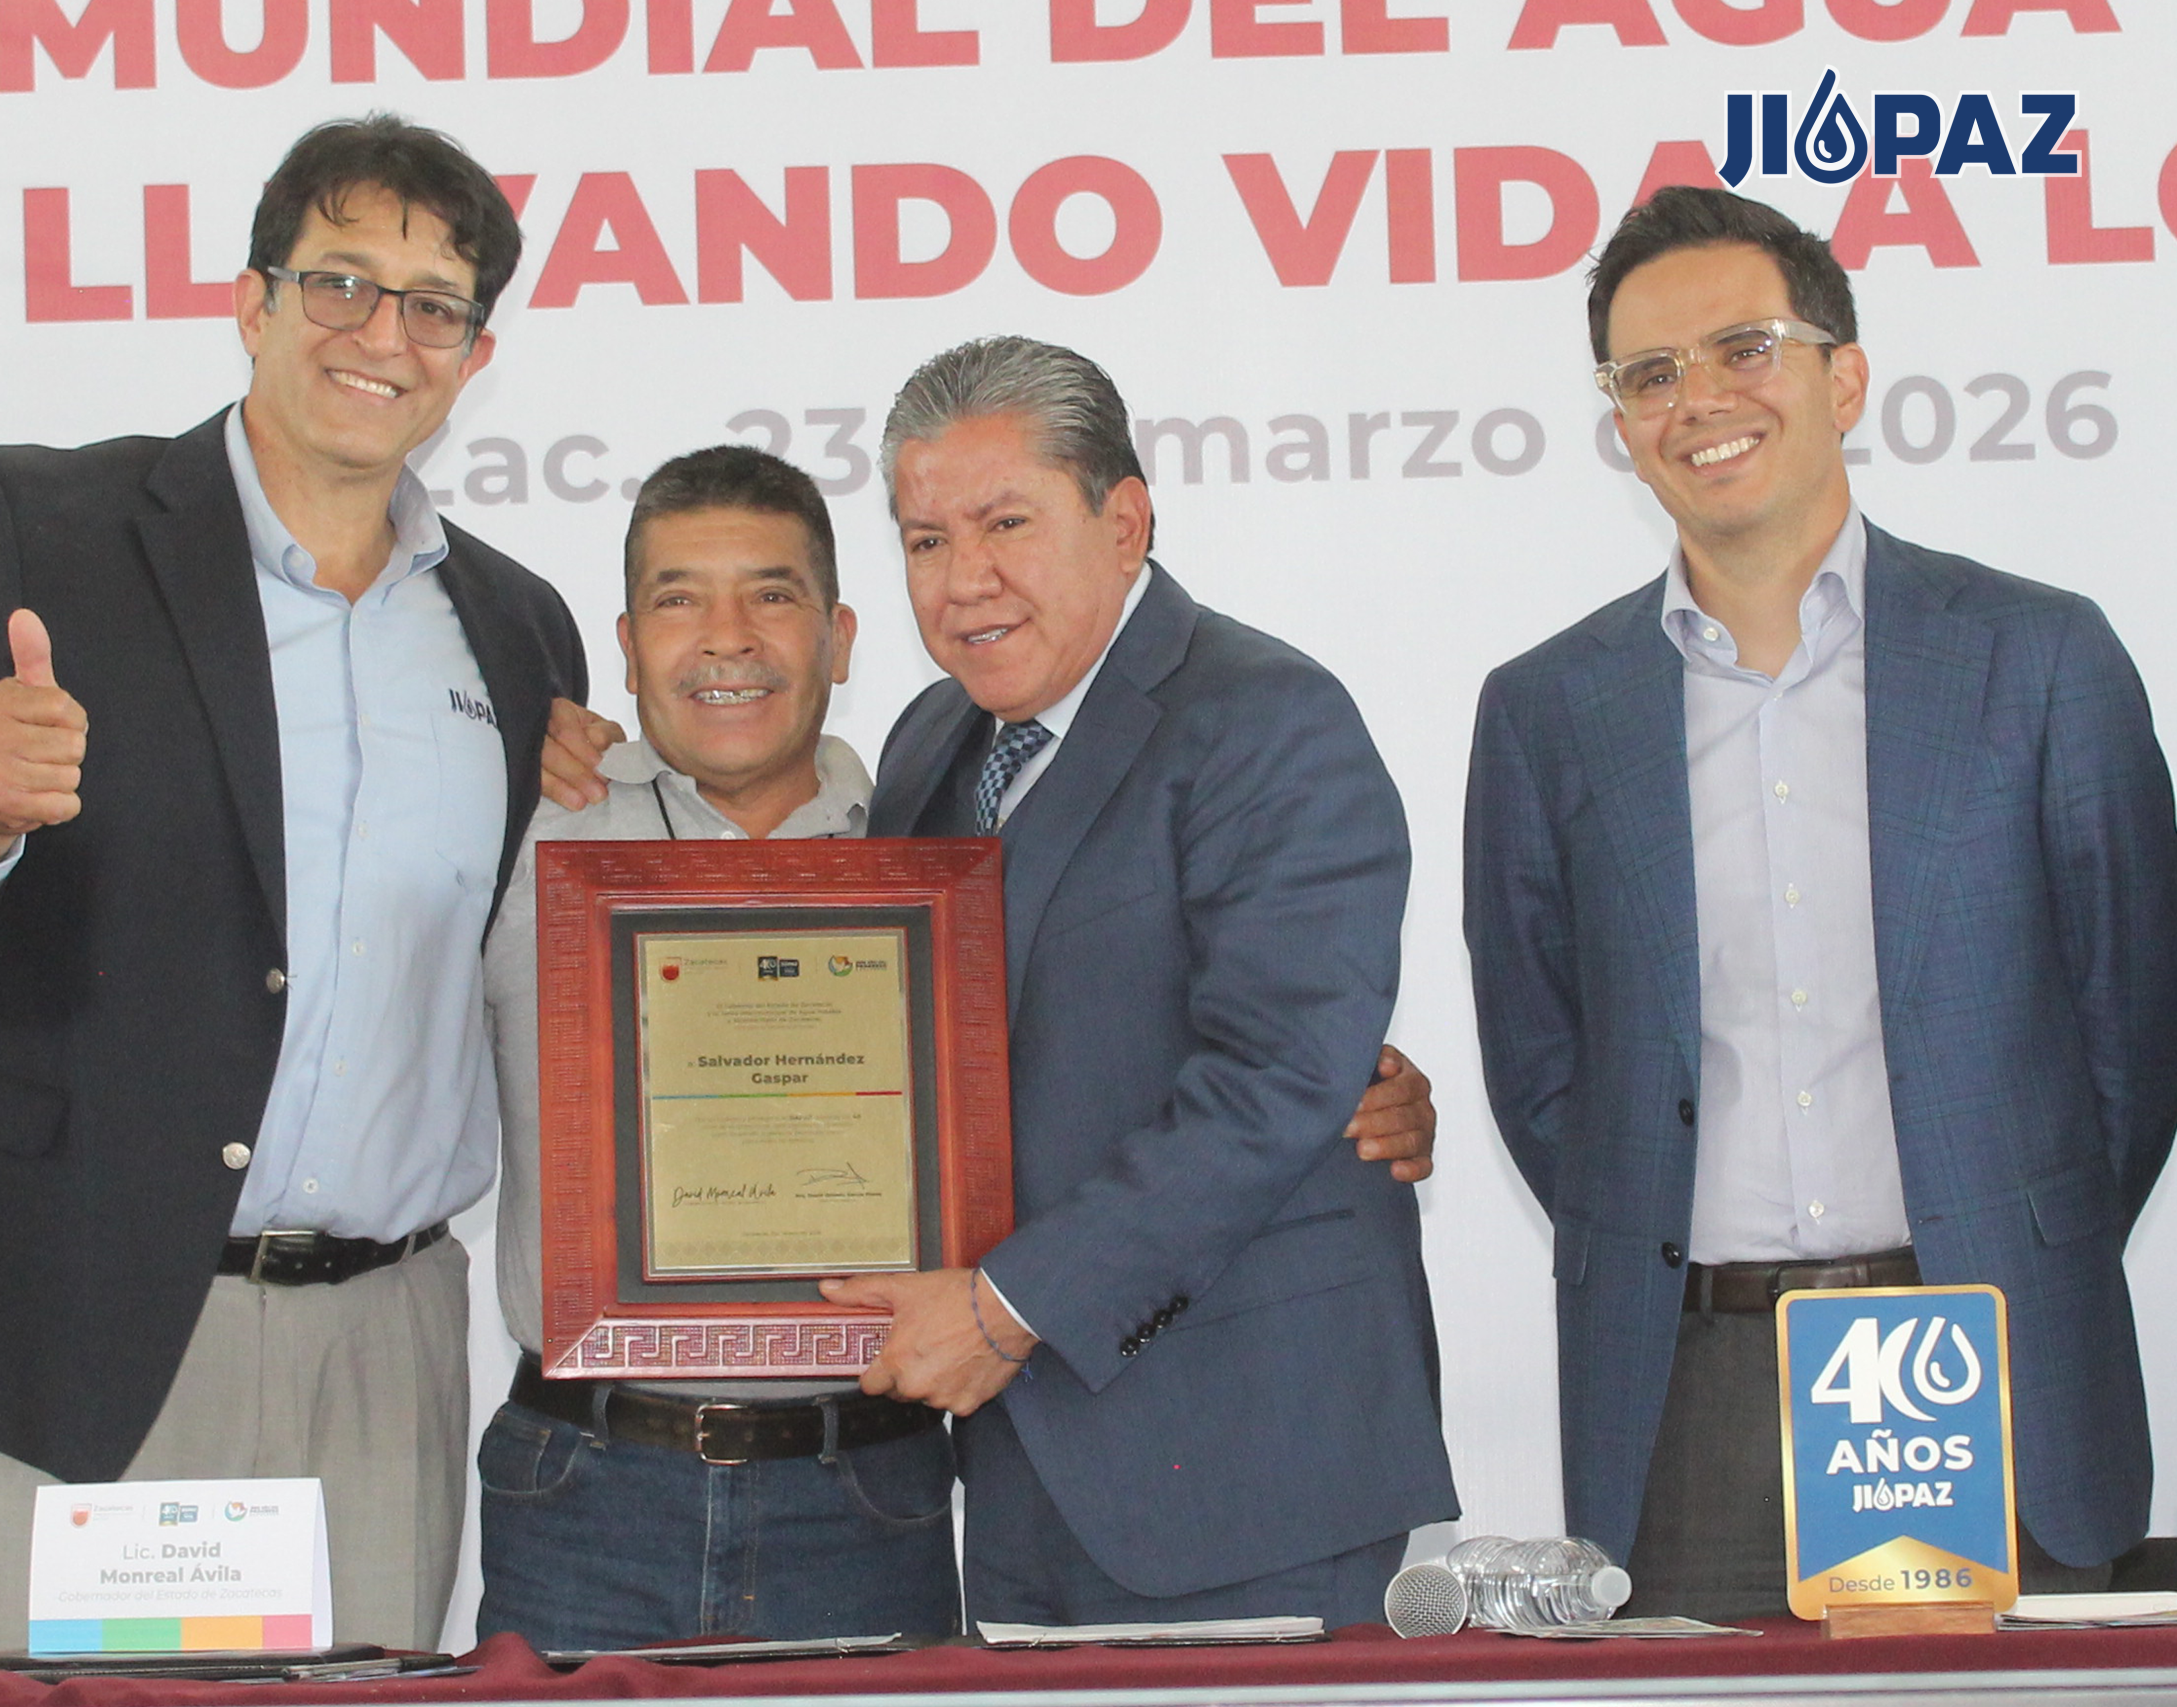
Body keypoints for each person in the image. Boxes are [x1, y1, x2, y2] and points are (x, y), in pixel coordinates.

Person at [0, 114, 587, 1650]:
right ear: (251, 301)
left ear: (475, 358)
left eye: (433, 304)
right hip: (69, 1333)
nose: (383, 334)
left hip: (383, 1349)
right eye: (340, 281)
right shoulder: (36, 528)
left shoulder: (516, 625)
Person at [1463, 185, 2177, 1619]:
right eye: (1648, 374)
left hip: (1985, 1358)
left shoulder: (2039, 659)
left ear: (1843, 379)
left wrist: (2004, 1237)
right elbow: (1545, 1075)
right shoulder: (1547, 710)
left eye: (1745, 348)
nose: (1698, 399)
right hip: (1692, 1395)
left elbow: (2137, 1033)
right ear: (1621, 425)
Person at [842, 335, 1457, 1627]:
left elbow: (1275, 1078)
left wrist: (1007, 1309)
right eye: (925, 539)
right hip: (1017, 1473)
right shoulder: (929, 743)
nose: (964, 578)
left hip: (1248, 1470)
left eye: (1006, 522)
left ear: (1124, 522)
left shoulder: (1266, 718)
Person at [477, 445, 963, 1650]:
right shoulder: (511, 831)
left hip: (867, 1495)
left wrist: (1364, 1090)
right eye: (679, 599)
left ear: (839, 640)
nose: (726, 639)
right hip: (583, 1493)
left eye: (772, 595)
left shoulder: (940, 856)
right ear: (627, 644)